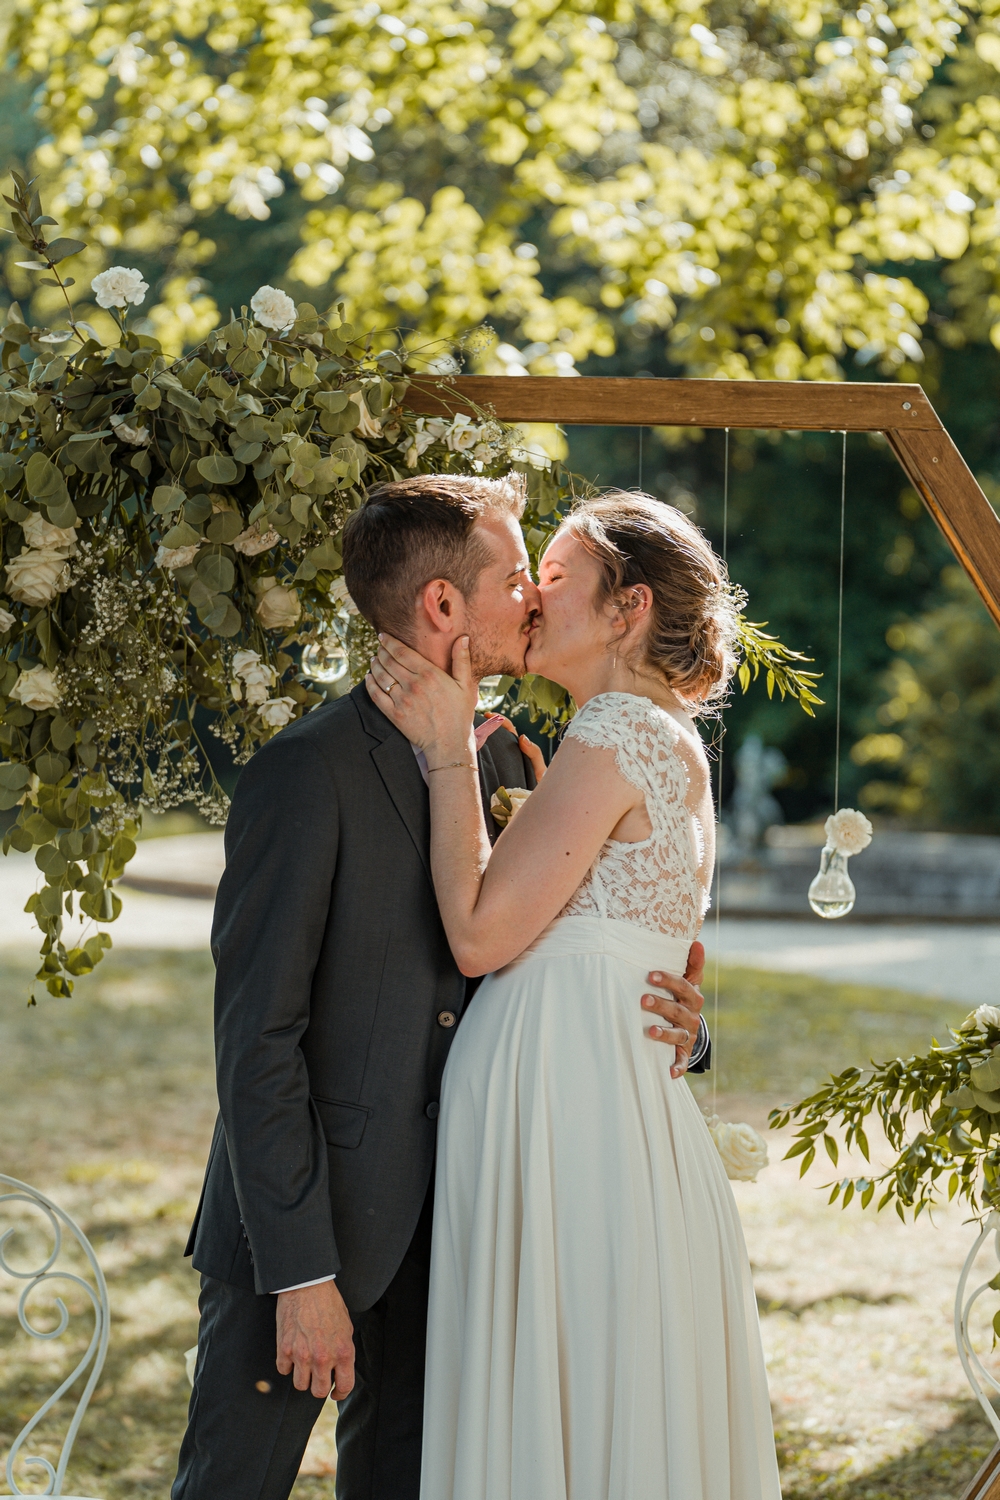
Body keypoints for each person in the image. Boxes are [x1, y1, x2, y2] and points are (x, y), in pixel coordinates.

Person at [172, 474, 711, 1500]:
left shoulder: (511, 751)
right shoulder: (307, 772)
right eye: (518, 579)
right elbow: (257, 1042)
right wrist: (301, 1276)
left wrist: (677, 1026)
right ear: (442, 607)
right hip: (306, 1239)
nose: (536, 599)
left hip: (459, 1238)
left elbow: (567, 941)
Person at [368, 490, 781, 1500]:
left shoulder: (617, 730)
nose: (532, 594)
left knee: (562, 1382)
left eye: (553, 575)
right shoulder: (647, 734)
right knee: (598, 1392)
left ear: (625, 606)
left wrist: (444, 751)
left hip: (568, 1116)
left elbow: (476, 935)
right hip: (591, 1101)